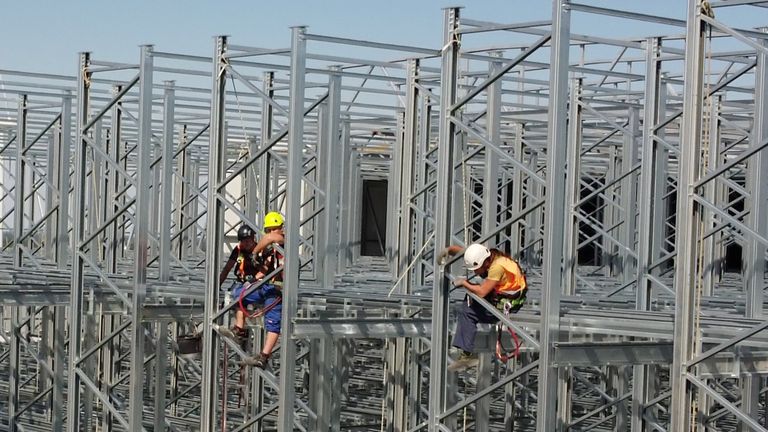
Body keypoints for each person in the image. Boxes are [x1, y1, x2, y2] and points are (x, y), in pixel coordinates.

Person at [437, 243, 527, 371]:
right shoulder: (492, 257)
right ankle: (466, 352)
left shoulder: (496, 268)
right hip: (509, 295)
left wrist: (464, 283)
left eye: (475, 269)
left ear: (484, 263)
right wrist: (449, 250)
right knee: (471, 298)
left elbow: (482, 292)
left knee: (468, 310)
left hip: (505, 304)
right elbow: (469, 253)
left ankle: (467, 355)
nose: (474, 272)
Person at [219, 212, 285, 369]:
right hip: (266, 285)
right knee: (239, 294)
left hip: (278, 289)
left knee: (272, 322)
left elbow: (269, 239)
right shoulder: (267, 248)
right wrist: (253, 281)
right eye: (268, 230)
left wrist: (255, 252)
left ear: (280, 228)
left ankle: (264, 356)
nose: (270, 233)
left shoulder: (282, 240)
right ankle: (239, 329)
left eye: (273, 229)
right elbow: (265, 268)